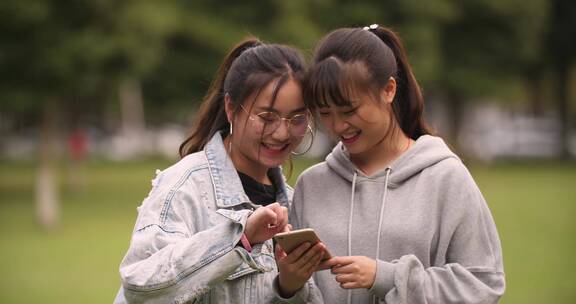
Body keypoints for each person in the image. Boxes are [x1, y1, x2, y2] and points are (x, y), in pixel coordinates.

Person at [283, 25, 505, 303]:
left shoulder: (445, 176)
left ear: (388, 89)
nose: (338, 125)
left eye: (350, 110)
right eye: (325, 113)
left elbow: (484, 283)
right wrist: (287, 286)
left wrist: (387, 277)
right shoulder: (312, 184)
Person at [114, 37, 326, 303]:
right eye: (266, 117)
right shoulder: (183, 186)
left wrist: (289, 288)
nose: (282, 132)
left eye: (297, 118)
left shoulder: (296, 203)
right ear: (230, 108)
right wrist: (240, 240)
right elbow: (140, 287)